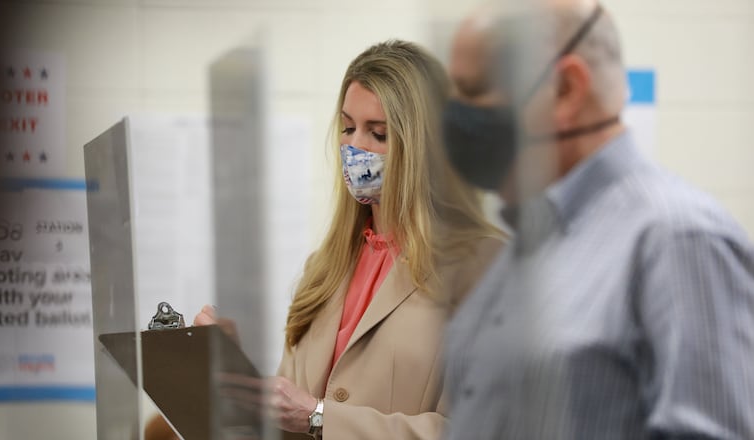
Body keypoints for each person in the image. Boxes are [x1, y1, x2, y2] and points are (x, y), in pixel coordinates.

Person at [148, 40, 505, 439]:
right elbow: (287, 421)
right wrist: (233, 370)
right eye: (348, 128)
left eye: (379, 133)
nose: (354, 148)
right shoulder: (325, 267)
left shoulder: (486, 267)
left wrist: (321, 417)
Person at [440, 1, 754, 439]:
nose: (456, 116)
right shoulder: (531, 243)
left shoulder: (677, 238)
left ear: (566, 90)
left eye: (474, 92)